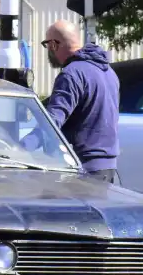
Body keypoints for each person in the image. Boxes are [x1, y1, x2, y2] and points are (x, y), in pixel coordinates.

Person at [39, 20, 121, 183]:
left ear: (54, 45)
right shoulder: (108, 72)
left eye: (47, 44)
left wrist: (19, 147)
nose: (48, 50)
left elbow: (52, 121)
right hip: (109, 167)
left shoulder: (71, 74)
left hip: (83, 170)